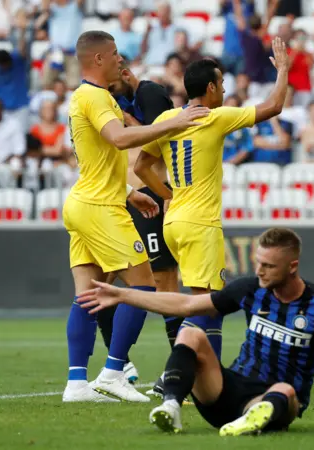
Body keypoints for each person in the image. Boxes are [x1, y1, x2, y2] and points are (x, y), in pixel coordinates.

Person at [76, 227, 314, 435]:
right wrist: (122, 294)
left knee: (287, 391)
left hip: (274, 401)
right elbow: (185, 305)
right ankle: (171, 406)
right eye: (258, 262)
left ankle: (249, 422)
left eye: (268, 266)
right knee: (193, 331)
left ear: (292, 267)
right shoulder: (249, 288)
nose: (260, 270)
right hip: (225, 391)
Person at [61, 30, 209, 403]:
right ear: (98, 59)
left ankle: (77, 383)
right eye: (114, 55)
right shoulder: (95, 97)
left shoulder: (83, 97)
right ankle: (114, 372)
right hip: (100, 207)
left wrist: (129, 192)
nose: (119, 61)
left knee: (89, 295)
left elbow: (97, 159)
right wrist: (174, 122)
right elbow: (120, 139)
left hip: (84, 200)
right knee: (143, 285)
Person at [133, 38, 291, 372]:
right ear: (210, 87)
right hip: (200, 224)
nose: (223, 89)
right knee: (207, 306)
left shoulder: (169, 118)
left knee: (198, 304)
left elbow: (141, 167)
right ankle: (192, 378)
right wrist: (284, 71)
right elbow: (274, 106)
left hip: (173, 223)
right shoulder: (214, 117)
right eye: (220, 83)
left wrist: (168, 196)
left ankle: (200, 377)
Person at [99, 60, 182, 387]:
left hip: (148, 193)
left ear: (125, 75)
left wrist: (132, 124)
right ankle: (118, 366)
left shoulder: (148, 93)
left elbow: (165, 139)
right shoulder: (100, 102)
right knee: (99, 283)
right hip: (118, 197)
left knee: (163, 282)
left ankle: (178, 368)